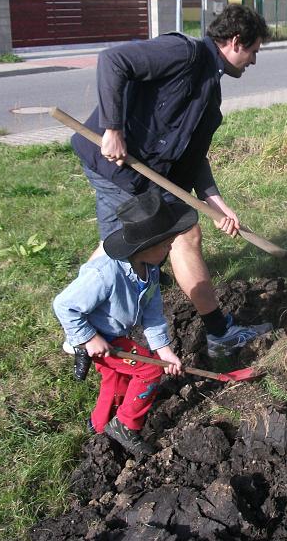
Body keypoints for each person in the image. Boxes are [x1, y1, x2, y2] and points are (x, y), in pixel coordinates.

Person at [70, 4, 272, 359]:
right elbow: (113, 60)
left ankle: (79, 325)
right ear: (236, 41)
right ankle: (219, 333)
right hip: (115, 165)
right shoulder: (184, 53)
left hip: (139, 174)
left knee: (121, 247)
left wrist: (217, 203)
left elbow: (193, 160)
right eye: (254, 51)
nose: (254, 61)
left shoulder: (210, 96)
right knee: (168, 237)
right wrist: (113, 128)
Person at [53, 188, 197, 456]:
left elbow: (152, 314)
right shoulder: (104, 272)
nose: (170, 247)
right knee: (149, 371)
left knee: (116, 379)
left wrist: (164, 351)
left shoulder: (150, 270)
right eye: (166, 243)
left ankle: (99, 425)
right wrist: (87, 338)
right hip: (99, 337)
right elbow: (64, 305)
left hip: (113, 337)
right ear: (146, 247)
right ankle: (126, 425)